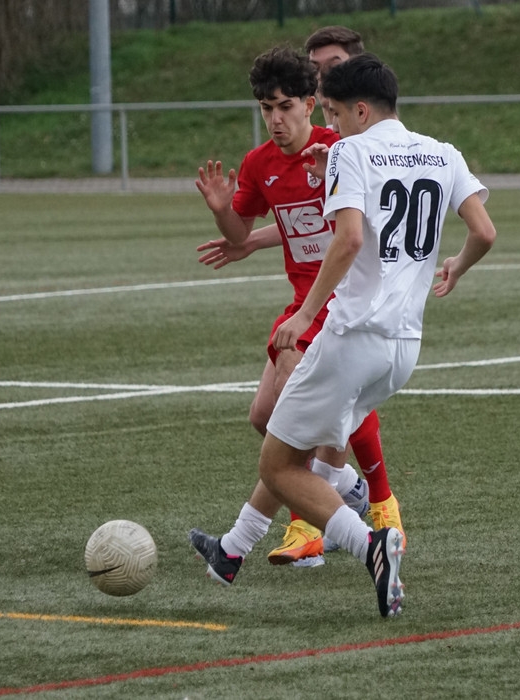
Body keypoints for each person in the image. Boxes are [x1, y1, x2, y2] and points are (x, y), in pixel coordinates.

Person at [259, 53, 497, 617]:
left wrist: (304, 315)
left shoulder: (349, 150)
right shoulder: (443, 152)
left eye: (335, 113)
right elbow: (484, 231)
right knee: (323, 444)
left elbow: (348, 241)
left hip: (351, 337)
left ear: (361, 110)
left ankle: (369, 543)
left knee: (277, 466)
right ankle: (240, 545)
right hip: (404, 349)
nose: (332, 125)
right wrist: (456, 266)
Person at [191, 37, 401, 582]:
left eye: (285, 107)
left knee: (292, 421)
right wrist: (222, 211)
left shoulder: (340, 149)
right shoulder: (260, 163)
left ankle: (253, 543)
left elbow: (368, 221)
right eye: (266, 109)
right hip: (301, 303)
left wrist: (330, 173)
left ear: (311, 104)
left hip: (341, 306)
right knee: (264, 419)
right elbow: (242, 232)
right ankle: (346, 488)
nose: (276, 119)